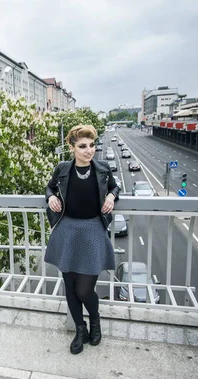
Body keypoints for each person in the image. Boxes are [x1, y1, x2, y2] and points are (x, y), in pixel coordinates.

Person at [44, 124, 120, 355]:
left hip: (93, 231)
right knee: (70, 287)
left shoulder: (103, 168)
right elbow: (49, 188)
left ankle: (95, 321)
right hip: (67, 231)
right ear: (72, 147)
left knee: (85, 290)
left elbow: (115, 188)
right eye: (83, 146)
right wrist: (50, 198)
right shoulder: (63, 169)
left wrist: (111, 195)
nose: (89, 151)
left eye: (92, 145)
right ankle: (80, 330)